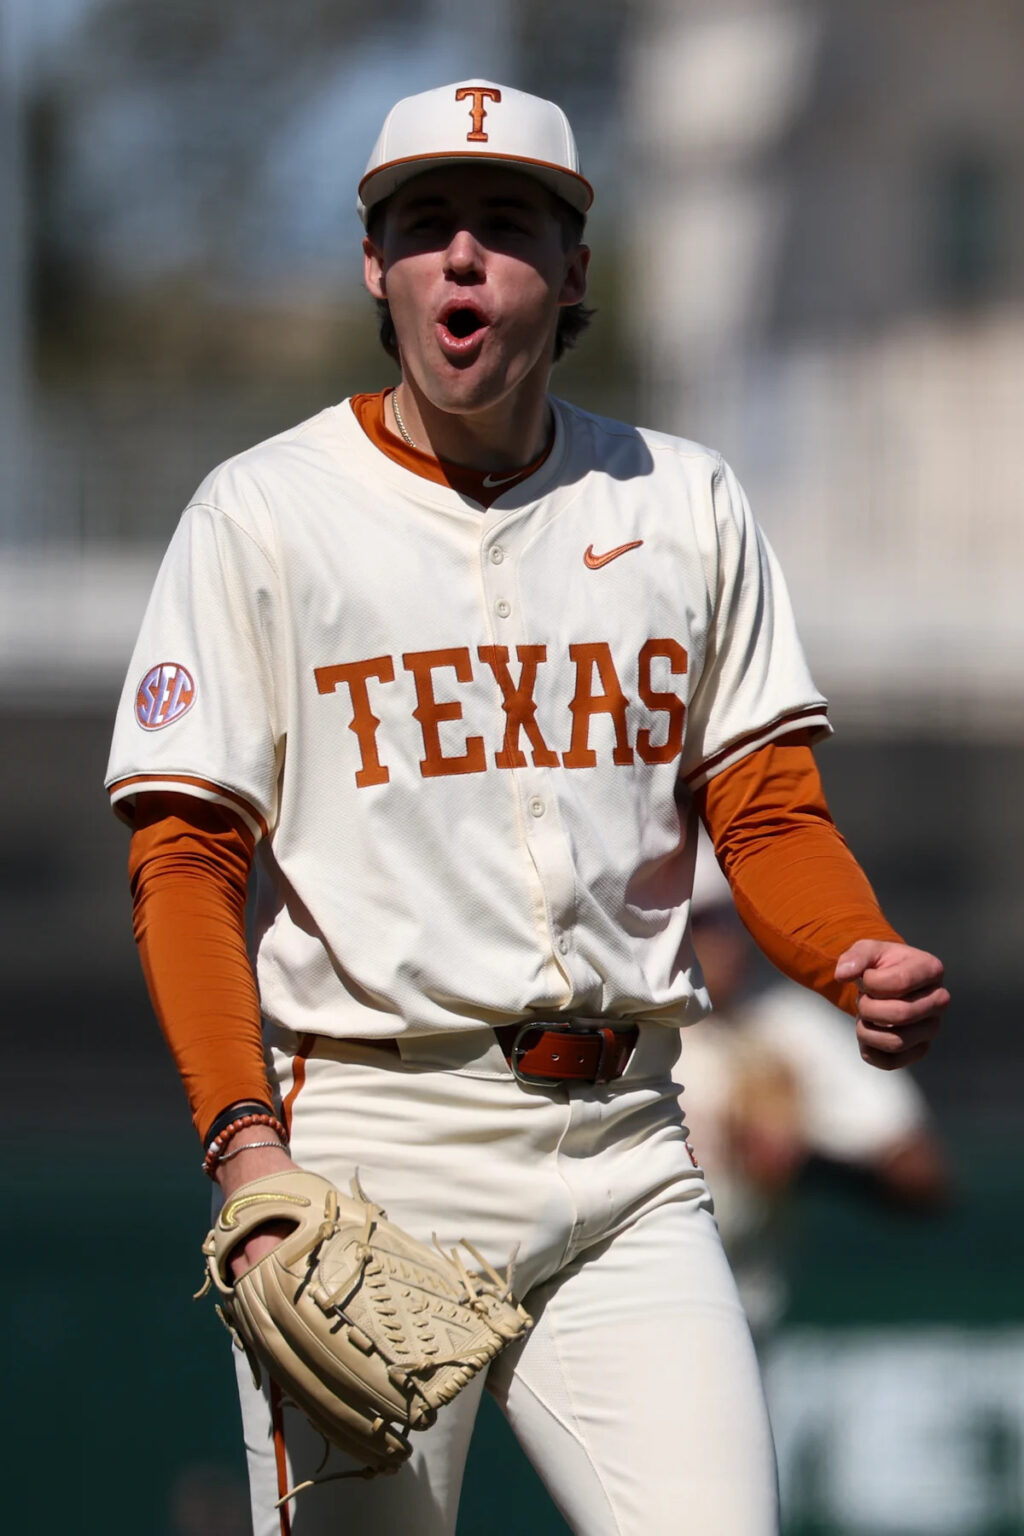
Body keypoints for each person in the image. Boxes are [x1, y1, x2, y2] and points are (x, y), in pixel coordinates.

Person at [105, 80, 949, 1536]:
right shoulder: (263, 512)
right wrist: (247, 1147)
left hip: (627, 1151)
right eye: (425, 224)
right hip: (371, 1142)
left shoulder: (681, 499)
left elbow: (766, 812)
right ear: (377, 267)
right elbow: (186, 864)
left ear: (572, 272)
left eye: (507, 224)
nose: (464, 256)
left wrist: (846, 945)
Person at [681, 837, 949, 1336]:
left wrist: (805, 1161)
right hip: (612, 1312)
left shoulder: (788, 1025)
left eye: (731, 920)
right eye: (701, 921)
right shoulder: (608, 1028)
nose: (724, 939)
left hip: (736, 1325)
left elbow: (923, 1176)